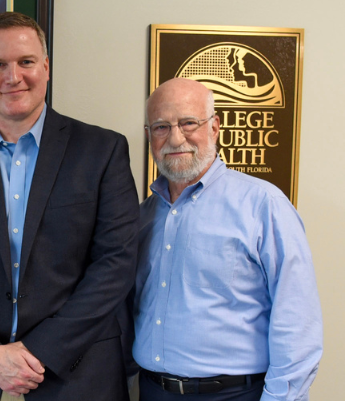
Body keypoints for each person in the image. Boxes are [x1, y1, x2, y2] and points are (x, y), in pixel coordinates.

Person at [0, 12, 139, 400]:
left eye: (26, 62)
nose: (12, 77)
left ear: (45, 68)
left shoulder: (102, 151)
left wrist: (39, 351)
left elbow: (116, 264)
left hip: (78, 375)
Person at [133, 78, 322, 400]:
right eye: (162, 127)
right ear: (149, 136)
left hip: (235, 394)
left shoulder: (264, 204)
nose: (175, 138)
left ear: (215, 126)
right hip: (153, 390)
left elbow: (297, 321)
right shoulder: (141, 216)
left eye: (188, 123)